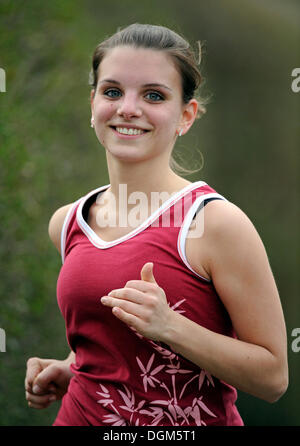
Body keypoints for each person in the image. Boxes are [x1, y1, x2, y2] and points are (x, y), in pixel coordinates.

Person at [24, 23, 288, 426]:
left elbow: (272, 378)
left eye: (153, 95)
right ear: (92, 102)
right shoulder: (67, 222)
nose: (128, 108)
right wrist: (70, 367)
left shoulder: (215, 224)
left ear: (186, 115)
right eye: (112, 91)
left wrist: (170, 326)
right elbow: (112, 346)